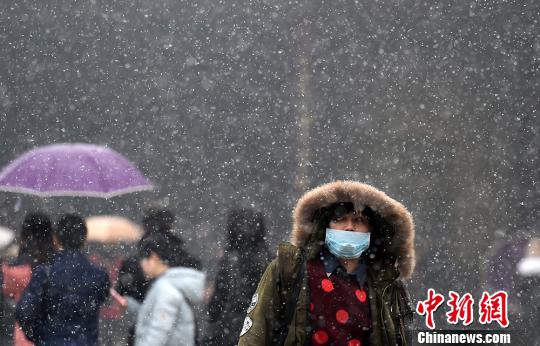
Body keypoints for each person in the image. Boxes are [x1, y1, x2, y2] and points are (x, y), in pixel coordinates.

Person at [237, 180, 415, 345]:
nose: (349, 227)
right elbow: (255, 336)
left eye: (359, 220)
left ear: (372, 229)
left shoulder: (386, 284)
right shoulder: (290, 271)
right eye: (339, 219)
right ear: (325, 226)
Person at [15, 214, 110, 346]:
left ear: (56, 239)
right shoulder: (99, 275)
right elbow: (102, 298)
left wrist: (38, 335)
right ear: (84, 240)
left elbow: (24, 311)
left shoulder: (46, 273)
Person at [125, 233, 205, 346]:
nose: (141, 265)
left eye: (142, 259)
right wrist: (130, 304)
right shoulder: (169, 284)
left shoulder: (165, 290)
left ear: (153, 257)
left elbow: (157, 332)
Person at [206, 208, 271, 345]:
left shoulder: (230, 261)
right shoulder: (268, 259)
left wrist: (213, 319)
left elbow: (218, 301)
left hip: (233, 330)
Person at [1, 212, 54, 346]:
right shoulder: (57, 266)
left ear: (25, 236)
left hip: (24, 338)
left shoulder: (13, 270)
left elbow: (8, 294)